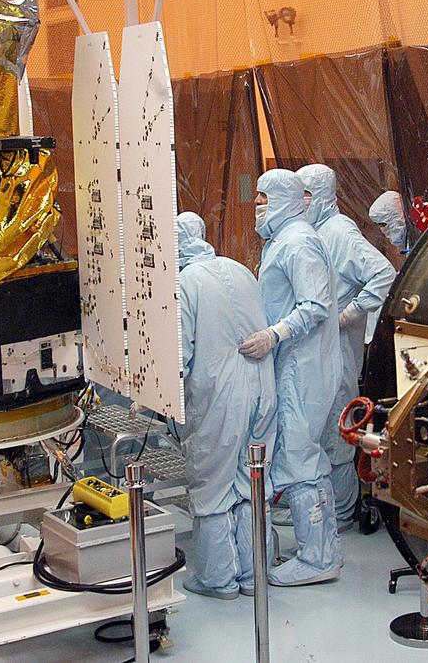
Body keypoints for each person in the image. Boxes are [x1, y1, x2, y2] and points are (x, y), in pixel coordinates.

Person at [239, 169, 343, 586]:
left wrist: (273, 334)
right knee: (300, 455)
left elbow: (315, 305)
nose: (258, 205)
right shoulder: (283, 241)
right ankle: (321, 549)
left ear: (286, 198)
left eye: (264, 198)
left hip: (305, 366)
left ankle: (319, 560)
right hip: (295, 364)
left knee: (301, 458)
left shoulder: (299, 242)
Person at [176, 212, 278, 600]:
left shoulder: (187, 282)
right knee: (252, 482)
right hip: (261, 390)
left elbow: (180, 352)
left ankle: (218, 579)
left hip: (219, 397)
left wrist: (153, 396)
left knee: (211, 485)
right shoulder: (239, 268)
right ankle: (254, 575)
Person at [297, 165, 396, 527]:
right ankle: (323, 508)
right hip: (317, 349)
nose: (301, 201)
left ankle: (340, 512)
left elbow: (384, 274)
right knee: (319, 431)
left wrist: (349, 313)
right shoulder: (313, 233)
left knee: (339, 432)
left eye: (307, 194)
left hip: (338, 349)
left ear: (323, 194)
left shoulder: (340, 232)